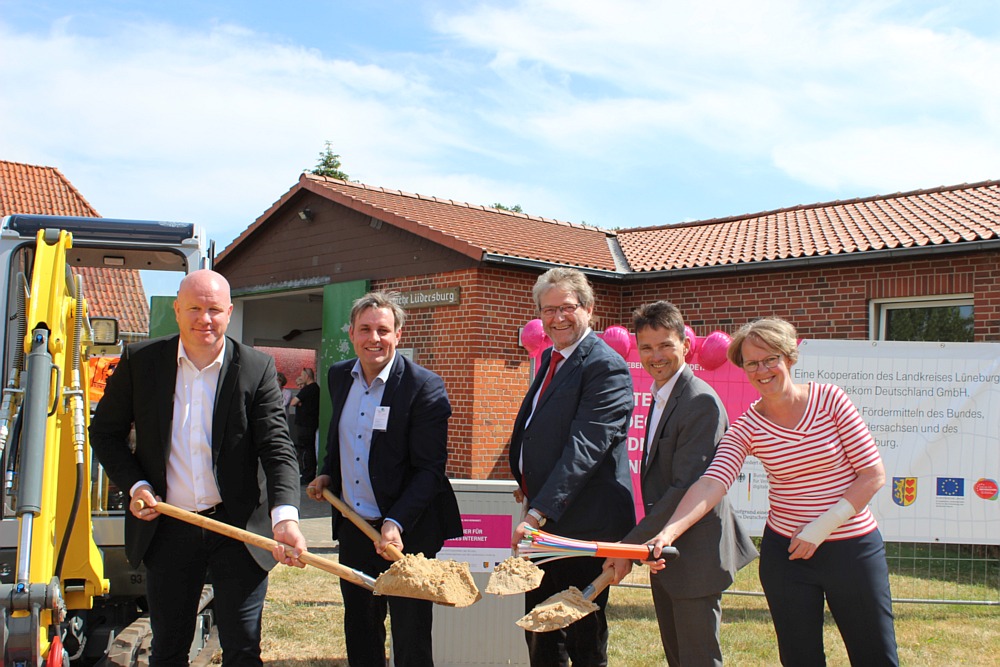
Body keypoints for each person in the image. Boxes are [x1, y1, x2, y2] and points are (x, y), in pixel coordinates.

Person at [645, 318, 899, 666]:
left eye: (770, 359)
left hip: (852, 550)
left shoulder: (830, 399)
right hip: (787, 556)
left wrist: (820, 528)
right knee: (799, 658)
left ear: (789, 358)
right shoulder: (748, 425)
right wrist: (668, 532)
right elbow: (711, 481)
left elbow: (872, 474)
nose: (762, 370)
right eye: (752, 362)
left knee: (876, 655)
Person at [90, 269, 306, 667]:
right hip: (168, 526)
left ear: (228, 312)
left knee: (243, 648)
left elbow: (278, 449)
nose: (204, 319)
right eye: (194, 308)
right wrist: (136, 484)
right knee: (169, 647)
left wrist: (285, 518)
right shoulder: (142, 362)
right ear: (176, 309)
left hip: (237, 528)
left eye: (213, 310)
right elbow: (105, 433)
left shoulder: (255, 368)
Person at [307, 291, 462, 667]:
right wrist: (328, 470)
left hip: (407, 535)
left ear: (399, 335)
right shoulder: (339, 375)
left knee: (410, 638)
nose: (373, 338)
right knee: (361, 630)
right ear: (352, 335)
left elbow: (430, 469)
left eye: (382, 330)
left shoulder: (423, 386)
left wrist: (395, 523)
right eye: (365, 329)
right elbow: (339, 436)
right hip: (356, 528)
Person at [603, 301, 757, 666]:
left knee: (698, 660)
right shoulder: (663, 395)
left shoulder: (699, 400)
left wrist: (628, 548)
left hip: (696, 555)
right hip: (667, 554)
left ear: (686, 345)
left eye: (665, 345)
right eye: (646, 347)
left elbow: (687, 486)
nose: (656, 356)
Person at [508, 267, 635, 667]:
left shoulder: (605, 365)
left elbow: (587, 446)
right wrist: (527, 481)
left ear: (589, 310)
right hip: (546, 524)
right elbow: (540, 429)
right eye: (548, 310)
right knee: (540, 631)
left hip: (584, 526)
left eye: (567, 307)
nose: (557, 318)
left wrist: (540, 509)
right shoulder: (552, 356)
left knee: (581, 639)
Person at [290, 367, 319, 482]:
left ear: (307, 376)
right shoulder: (316, 389)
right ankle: (309, 474)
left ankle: (306, 474)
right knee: (309, 449)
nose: (301, 379)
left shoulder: (308, 389)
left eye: (302, 376)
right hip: (311, 423)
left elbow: (293, 402)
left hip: (305, 424)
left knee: (305, 449)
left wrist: (299, 402)